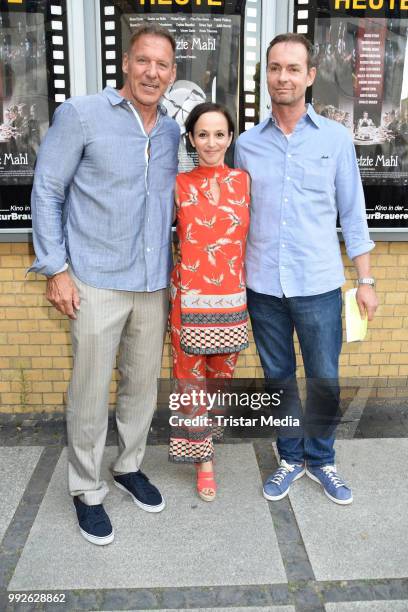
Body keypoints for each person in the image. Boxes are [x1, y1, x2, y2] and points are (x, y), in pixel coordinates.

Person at [29, 25, 179, 545]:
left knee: (140, 386)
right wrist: (57, 269)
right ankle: (87, 488)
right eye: (143, 61)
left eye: (162, 65)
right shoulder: (82, 115)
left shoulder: (172, 132)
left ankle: (128, 465)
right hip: (93, 281)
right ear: (126, 63)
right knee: (90, 391)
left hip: (152, 283)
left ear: (173, 73)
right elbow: (46, 190)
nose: (152, 73)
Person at [235, 33, 378, 505]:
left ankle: (322, 460)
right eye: (275, 68)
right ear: (266, 76)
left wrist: (366, 280)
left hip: (317, 284)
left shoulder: (336, 140)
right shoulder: (247, 145)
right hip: (262, 286)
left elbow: (352, 214)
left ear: (310, 76)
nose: (283, 77)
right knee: (278, 377)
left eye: (293, 68)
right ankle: (290, 458)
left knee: (323, 378)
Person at [169, 102, 250, 501]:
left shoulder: (245, 181)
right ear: (191, 139)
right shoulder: (177, 185)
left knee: (219, 383)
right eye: (203, 134)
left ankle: (207, 442)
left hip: (232, 302)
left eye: (220, 134)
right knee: (191, 383)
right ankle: (204, 463)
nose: (211, 142)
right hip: (188, 301)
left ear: (230, 138)